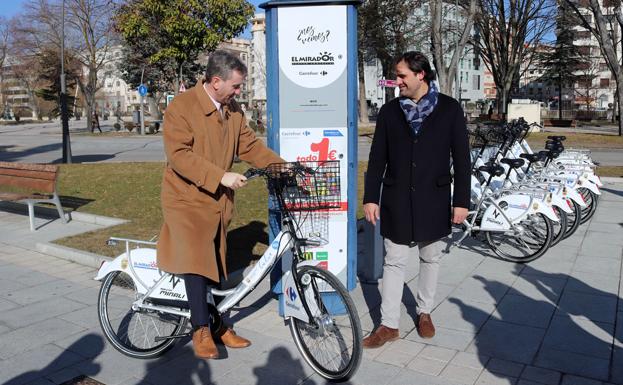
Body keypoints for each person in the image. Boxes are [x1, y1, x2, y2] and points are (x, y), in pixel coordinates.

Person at [156, 51, 283, 359]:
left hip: (215, 200)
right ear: (215, 82)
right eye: (236, 86)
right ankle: (200, 328)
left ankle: (215, 324)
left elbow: (249, 145)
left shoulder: (232, 109)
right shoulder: (182, 108)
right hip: (185, 199)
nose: (239, 92)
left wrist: (281, 166)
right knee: (198, 262)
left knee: (215, 262)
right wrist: (221, 176)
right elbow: (180, 155)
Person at [362, 51, 470, 347]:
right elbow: (376, 159)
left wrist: (462, 201)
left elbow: (462, 159)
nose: (397, 82)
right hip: (396, 196)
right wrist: (371, 197)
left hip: (433, 197)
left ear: (420, 75)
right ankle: (389, 324)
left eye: (402, 76)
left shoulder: (449, 109)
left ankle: (424, 312)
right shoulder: (389, 111)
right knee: (394, 260)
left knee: (430, 257)